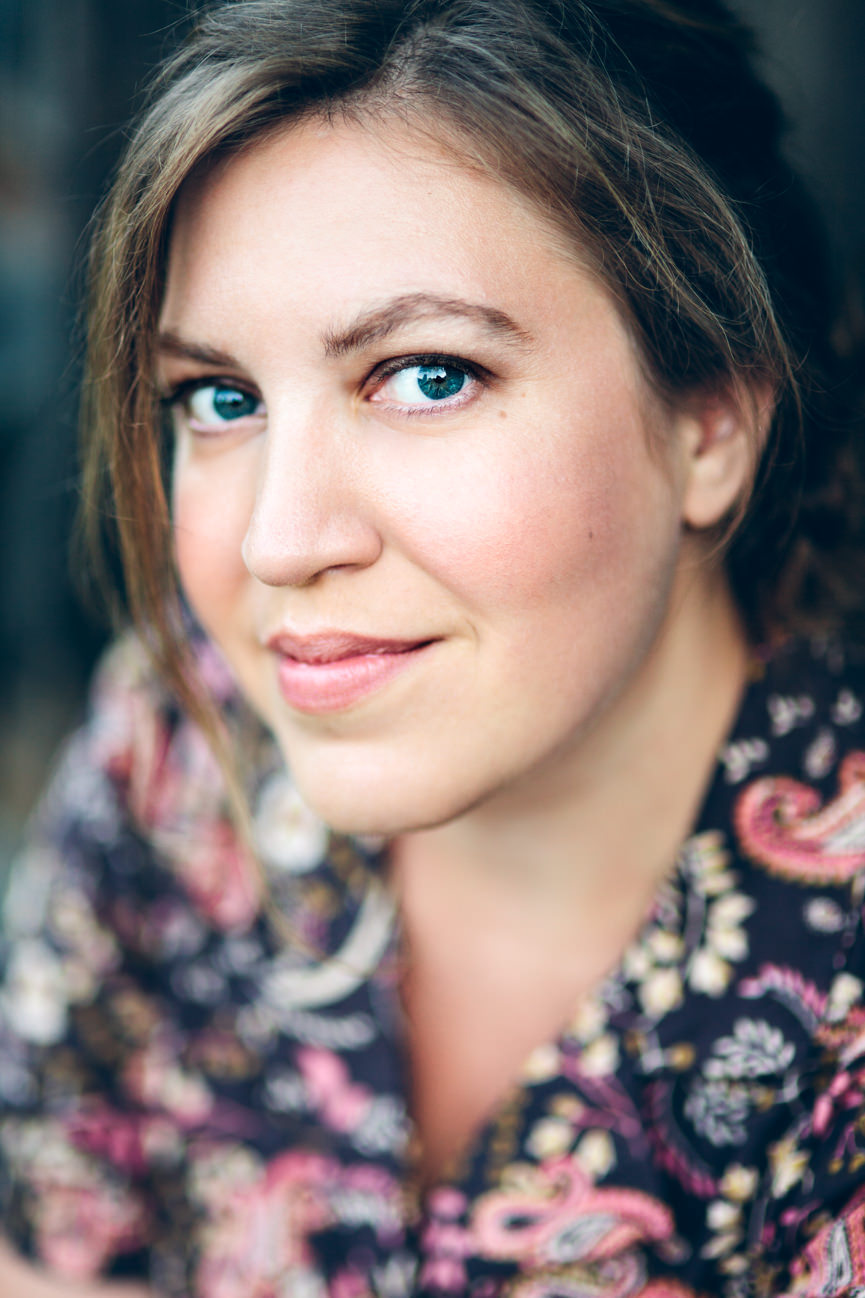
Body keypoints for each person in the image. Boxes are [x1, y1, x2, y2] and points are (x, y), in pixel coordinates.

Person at [1, 0, 864, 1293]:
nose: (278, 542)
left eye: (425, 375)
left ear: (706, 425)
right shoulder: (186, 739)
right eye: (220, 400)